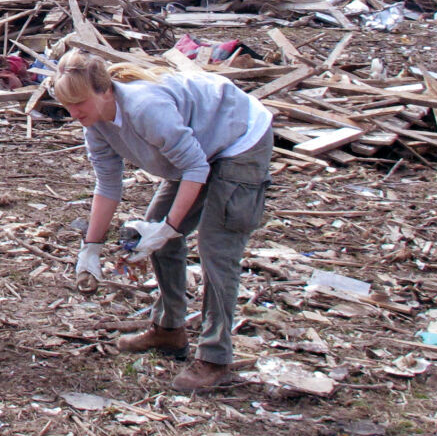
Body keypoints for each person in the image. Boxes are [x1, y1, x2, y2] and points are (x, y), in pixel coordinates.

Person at [52, 51, 274, 393]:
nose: (75, 113)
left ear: (105, 91)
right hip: (198, 153)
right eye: (68, 106)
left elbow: (196, 168)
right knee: (152, 227)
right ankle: (169, 329)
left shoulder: (144, 108)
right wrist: (90, 248)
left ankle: (216, 357)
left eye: (80, 102)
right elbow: (108, 185)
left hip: (237, 138)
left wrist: (169, 229)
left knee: (216, 247)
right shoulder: (96, 124)